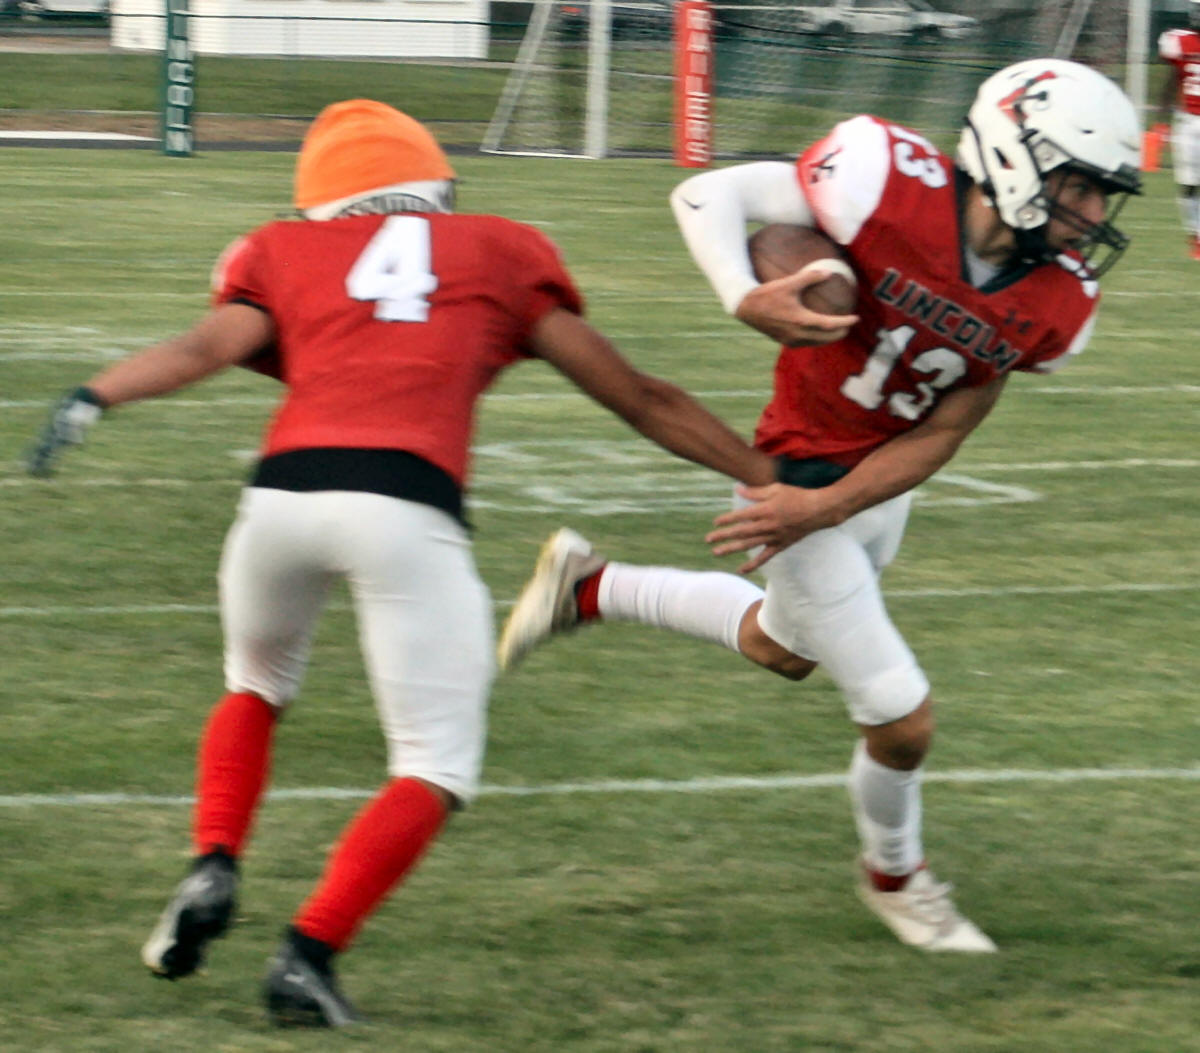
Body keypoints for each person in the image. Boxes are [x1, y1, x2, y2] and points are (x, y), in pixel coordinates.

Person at [25, 99, 780, 1027]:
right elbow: (639, 396)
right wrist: (768, 477)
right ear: (436, 184)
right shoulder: (499, 249)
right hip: (402, 506)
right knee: (435, 761)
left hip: (278, 501)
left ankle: (214, 859)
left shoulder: (282, 249)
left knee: (255, 683)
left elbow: (203, 348)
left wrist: (94, 395)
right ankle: (308, 953)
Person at [498, 59, 1143, 953]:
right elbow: (709, 193)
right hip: (793, 470)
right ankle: (897, 878)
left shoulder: (1058, 299)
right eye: (1080, 184)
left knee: (782, 647)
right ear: (1012, 154)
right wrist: (743, 294)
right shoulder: (886, 177)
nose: (1094, 213)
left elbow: (947, 429)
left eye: (1103, 193)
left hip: (868, 487)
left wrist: (838, 506)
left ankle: (588, 587)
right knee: (902, 717)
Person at [1154, 0, 1200, 259]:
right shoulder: (1180, 42)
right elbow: (1172, 80)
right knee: (1189, 184)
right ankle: (1196, 235)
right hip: (1189, 122)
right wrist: (1161, 121)